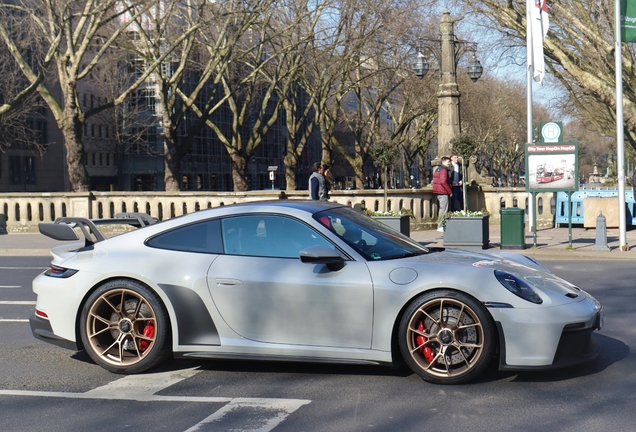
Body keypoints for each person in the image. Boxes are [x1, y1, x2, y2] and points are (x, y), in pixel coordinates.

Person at [432, 156, 452, 232]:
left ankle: (440, 225)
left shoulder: (438, 169)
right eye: (448, 162)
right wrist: (450, 191)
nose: (449, 163)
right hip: (443, 192)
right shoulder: (444, 170)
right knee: (444, 209)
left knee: (442, 209)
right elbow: (443, 181)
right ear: (443, 162)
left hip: (438, 191)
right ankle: (441, 225)